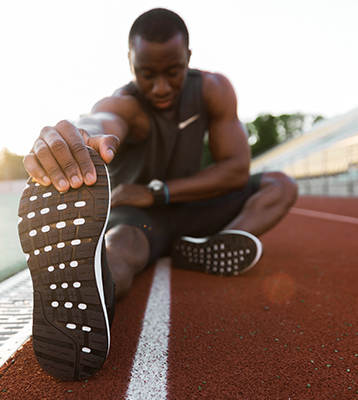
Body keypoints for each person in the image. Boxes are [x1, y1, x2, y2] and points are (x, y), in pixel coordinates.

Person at [19, 8, 298, 381]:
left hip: (188, 204)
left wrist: (158, 191)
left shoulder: (214, 89)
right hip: (138, 216)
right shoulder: (127, 104)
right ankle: (90, 295)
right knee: (120, 246)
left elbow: (235, 170)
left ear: (188, 59)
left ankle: (212, 244)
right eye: (147, 74)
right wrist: (79, 135)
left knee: (280, 184)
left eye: (173, 72)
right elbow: (102, 118)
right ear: (130, 63)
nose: (161, 87)